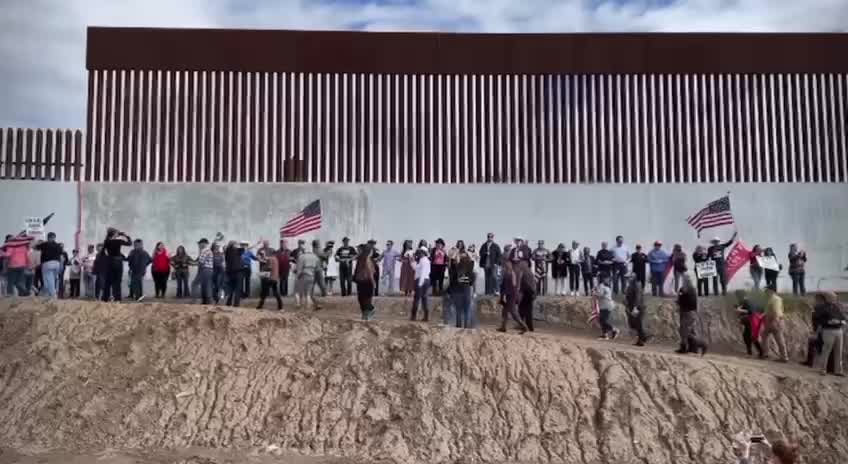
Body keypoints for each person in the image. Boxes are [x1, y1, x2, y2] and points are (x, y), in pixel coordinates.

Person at [812, 291, 845, 376]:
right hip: (828, 330)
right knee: (826, 350)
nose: (835, 299)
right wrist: (828, 322)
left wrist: (840, 321)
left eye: (835, 297)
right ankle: (823, 369)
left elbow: (843, 317)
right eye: (833, 297)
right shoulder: (822, 308)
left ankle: (838, 370)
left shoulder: (836, 307)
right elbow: (818, 320)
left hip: (839, 330)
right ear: (828, 298)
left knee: (839, 351)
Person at [676, 274, 708, 356]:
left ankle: (701, 344)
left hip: (687, 312)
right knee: (690, 331)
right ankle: (693, 348)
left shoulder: (686, 290)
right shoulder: (690, 289)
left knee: (684, 331)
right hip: (689, 311)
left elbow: (683, 300)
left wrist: (679, 300)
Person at [497, 260, 529, 333]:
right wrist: (502, 296)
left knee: (513, 312)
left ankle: (524, 326)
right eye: (506, 264)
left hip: (511, 295)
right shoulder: (506, 273)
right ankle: (503, 327)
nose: (507, 266)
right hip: (507, 295)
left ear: (511, 265)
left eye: (508, 264)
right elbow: (503, 286)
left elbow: (514, 287)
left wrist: (505, 295)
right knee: (504, 311)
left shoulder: (513, 274)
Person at [102, 228, 132, 302]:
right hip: (117, 262)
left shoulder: (106, 241)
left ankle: (105, 298)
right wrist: (125, 236)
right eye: (116, 233)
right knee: (117, 281)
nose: (118, 234)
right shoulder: (118, 241)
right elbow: (129, 243)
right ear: (114, 234)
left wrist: (108, 257)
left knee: (108, 281)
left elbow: (102, 252)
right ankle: (117, 298)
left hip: (109, 261)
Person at [760, 287, 789, 362]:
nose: (765, 292)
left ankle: (783, 357)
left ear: (771, 291)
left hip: (774, 320)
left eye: (767, 290)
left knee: (779, 338)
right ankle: (767, 353)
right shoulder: (771, 299)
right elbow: (768, 310)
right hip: (771, 320)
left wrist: (776, 320)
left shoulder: (775, 299)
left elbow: (776, 311)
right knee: (764, 335)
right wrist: (763, 316)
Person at [451, 241, 476, 329]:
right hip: (466, 291)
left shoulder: (457, 269)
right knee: (467, 310)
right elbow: (472, 282)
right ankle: (466, 326)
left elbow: (453, 262)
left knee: (458, 310)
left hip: (458, 292)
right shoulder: (471, 271)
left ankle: (458, 326)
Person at [707, 232, 738, 296]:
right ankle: (716, 293)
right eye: (714, 241)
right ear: (713, 242)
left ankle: (724, 292)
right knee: (715, 279)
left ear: (718, 241)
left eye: (717, 241)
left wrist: (734, 236)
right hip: (714, 266)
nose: (716, 242)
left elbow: (729, 242)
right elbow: (708, 256)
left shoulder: (722, 246)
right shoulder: (710, 249)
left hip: (722, 265)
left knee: (723, 279)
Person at [734, 290, 764, 357]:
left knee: (751, 337)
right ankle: (755, 352)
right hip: (749, 322)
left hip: (752, 322)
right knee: (747, 336)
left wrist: (739, 310)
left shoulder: (747, 301)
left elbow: (750, 311)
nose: (737, 297)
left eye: (737, 296)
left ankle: (759, 353)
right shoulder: (743, 302)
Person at [34, 232, 63, 298]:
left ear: (48, 237)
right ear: (54, 237)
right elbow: (62, 257)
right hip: (57, 264)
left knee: (49, 280)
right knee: (50, 280)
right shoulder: (58, 245)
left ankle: (53, 295)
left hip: (47, 264)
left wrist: (36, 242)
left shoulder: (45, 244)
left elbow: (34, 247)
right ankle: (44, 294)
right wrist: (61, 266)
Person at [353, 244, 376, 320]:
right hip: (360, 281)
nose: (357, 251)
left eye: (359, 250)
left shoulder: (367, 259)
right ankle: (364, 314)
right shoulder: (360, 259)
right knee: (361, 298)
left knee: (366, 299)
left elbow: (370, 272)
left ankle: (370, 312)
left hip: (366, 281)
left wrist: (373, 282)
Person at [256, 247, 283, 311]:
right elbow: (265, 259)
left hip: (269, 278)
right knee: (276, 293)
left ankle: (260, 306)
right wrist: (262, 256)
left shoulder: (271, 259)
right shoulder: (275, 259)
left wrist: (263, 270)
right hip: (275, 278)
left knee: (264, 292)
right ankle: (280, 307)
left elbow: (269, 267)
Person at [624, 274, 648, 346]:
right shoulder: (630, 286)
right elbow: (628, 296)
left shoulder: (637, 285)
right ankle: (643, 337)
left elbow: (638, 297)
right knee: (633, 324)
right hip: (632, 307)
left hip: (638, 307)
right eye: (627, 278)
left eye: (629, 278)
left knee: (638, 324)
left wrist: (635, 307)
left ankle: (642, 339)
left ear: (633, 278)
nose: (627, 279)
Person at [593, 276, 619, 340]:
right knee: (602, 320)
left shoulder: (602, 286)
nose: (597, 278)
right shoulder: (606, 286)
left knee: (602, 320)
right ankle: (605, 335)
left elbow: (600, 294)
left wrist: (594, 292)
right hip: (605, 305)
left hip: (606, 306)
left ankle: (614, 330)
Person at [191, 237, 215, 305]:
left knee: (194, 284)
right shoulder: (208, 250)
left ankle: (194, 300)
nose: (199, 245)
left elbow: (201, 262)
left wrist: (192, 263)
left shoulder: (204, 251)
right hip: (209, 269)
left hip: (205, 269)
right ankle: (207, 301)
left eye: (199, 243)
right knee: (206, 285)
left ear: (203, 243)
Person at [295, 243, 319, 309]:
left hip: (304, 275)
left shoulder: (302, 257)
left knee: (300, 292)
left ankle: (300, 305)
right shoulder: (315, 257)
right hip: (312, 276)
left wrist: (297, 277)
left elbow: (299, 268)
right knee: (308, 293)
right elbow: (317, 268)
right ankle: (309, 307)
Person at [410, 247, 431, 321]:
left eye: (419, 252)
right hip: (425, 280)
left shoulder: (424, 261)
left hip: (421, 280)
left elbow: (422, 273)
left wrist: (420, 284)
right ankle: (425, 317)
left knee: (417, 299)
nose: (418, 254)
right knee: (424, 299)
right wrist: (412, 262)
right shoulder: (423, 260)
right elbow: (416, 268)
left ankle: (414, 316)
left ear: (422, 253)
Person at [516, 261, 537, 332]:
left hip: (526, 292)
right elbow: (533, 284)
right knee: (526, 310)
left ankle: (524, 325)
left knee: (523, 309)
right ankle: (528, 326)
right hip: (530, 292)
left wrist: (518, 293)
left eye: (520, 264)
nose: (519, 265)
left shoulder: (522, 272)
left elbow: (520, 284)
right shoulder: (530, 272)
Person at [224, 240, 244, 307]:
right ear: (234, 245)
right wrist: (257, 243)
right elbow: (245, 249)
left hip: (230, 272)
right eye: (236, 244)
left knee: (231, 288)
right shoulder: (237, 251)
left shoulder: (227, 251)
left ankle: (228, 302)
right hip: (238, 272)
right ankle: (236, 304)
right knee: (238, 288)